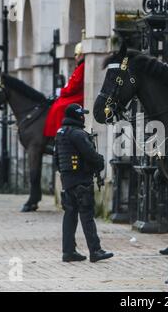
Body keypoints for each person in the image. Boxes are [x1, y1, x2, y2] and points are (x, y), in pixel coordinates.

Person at [54, 103, 113, 263]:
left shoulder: (61, 133)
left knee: (70, 215)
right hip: (81, 180)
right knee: (87, 215)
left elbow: (56, 160)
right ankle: (95, 251)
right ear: (77, 116)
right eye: (81, 114)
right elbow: (91, 155)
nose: (83, 117)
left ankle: (68, 251)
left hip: (67, 181)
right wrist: (100, 162)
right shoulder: (78, 134)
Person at [44, 31, 86, 138]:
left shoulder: (82, 67)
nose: (76, 57)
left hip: (79, 95)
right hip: (75, 94)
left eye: (77, 55)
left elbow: (75, 86)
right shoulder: (80, 67)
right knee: (57, 103)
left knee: (59, 107)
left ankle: (59, 134)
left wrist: (62, 91)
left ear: (82, 55)